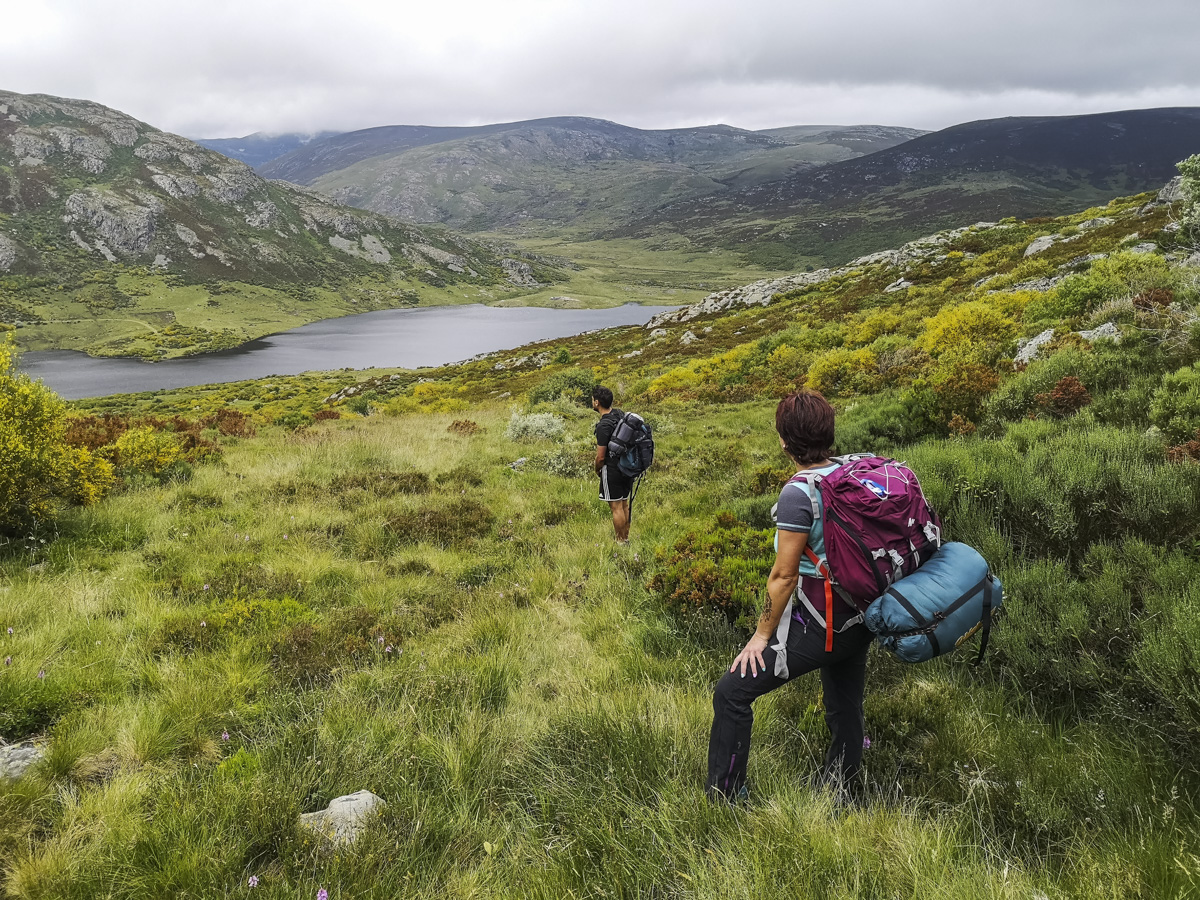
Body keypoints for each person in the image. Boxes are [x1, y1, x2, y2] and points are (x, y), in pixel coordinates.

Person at [705, 389, 873, 802]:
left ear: (783, 441)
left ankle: (725, 797)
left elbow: (783, 576)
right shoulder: (850, 471)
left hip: (825, 623)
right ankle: (841, 788)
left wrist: (761, 636)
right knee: (845, 701)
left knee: (732, 692)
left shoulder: (798, 494)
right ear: (829, 432)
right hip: (864, 613)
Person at [592, 385, 632, 543]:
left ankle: (620, 542)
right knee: (624, 504)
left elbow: (601, 457)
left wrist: (597, 469)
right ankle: (626, 539)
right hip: (626, 467)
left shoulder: (603, 426)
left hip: (612, 469)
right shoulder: (619, 414)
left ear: (597, 403)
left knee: (616, 507)